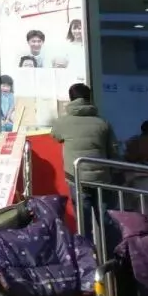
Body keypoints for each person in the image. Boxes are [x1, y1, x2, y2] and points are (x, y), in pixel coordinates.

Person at [51, 83, 116, 237]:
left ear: (71, 98)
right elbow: (113, 149)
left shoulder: (62, 122)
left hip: (76, 178)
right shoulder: (103, 122)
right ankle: (111, 250)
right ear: (89, 98)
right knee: (106, 219)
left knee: (82, 221)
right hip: (102, 178)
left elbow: (55, 136)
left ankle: (86, 249)